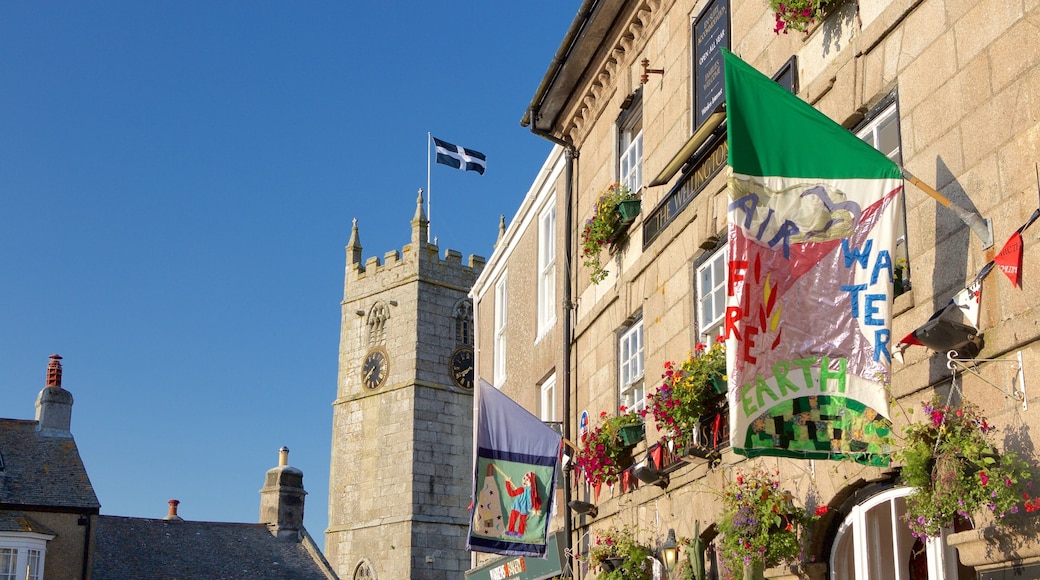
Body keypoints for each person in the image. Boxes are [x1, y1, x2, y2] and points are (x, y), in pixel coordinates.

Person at [504, 471, 540, 538]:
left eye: (527, 480)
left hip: (525, 508)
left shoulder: (532, 492)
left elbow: (535, 500)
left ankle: (520, 532)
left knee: (522, 521)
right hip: (517, 506)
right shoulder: (521, 489)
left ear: (531, 482)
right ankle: (511, 531)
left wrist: (536, 508)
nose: (525, 481)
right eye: (524, 478)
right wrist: (507, 483)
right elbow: (511, 493)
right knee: (513, 519)